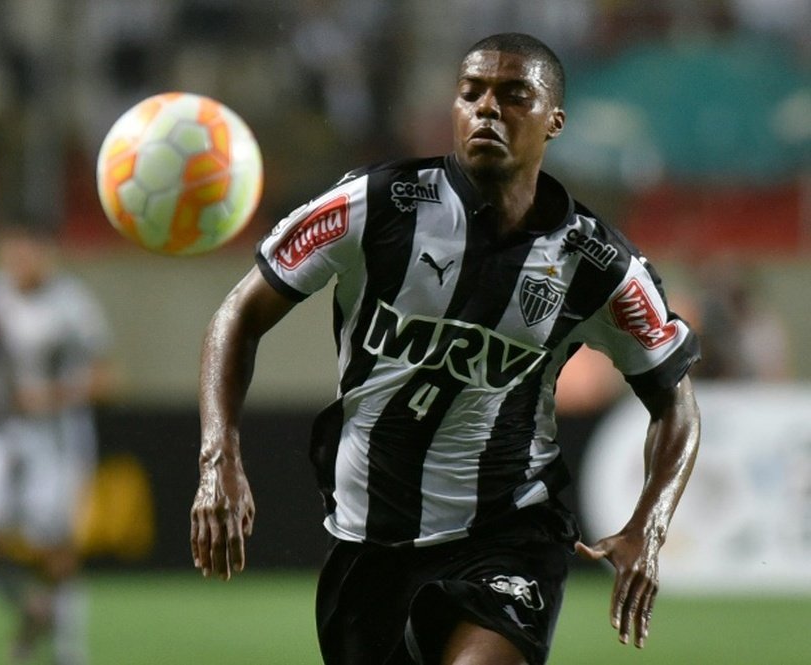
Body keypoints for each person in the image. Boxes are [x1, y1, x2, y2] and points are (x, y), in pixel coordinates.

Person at [190, 32, 701, 665]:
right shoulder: (372, 206)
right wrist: (220, 457)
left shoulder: (597, 266)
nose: (488, 108)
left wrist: (648, 526)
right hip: (368, 539)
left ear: (554, 122)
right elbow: (237, 315)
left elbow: (675, 404)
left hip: (508, 532)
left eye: (515, 95)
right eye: (472, 93)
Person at [0, 224, 115, 665]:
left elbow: (105, 379)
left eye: (29, 254)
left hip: (57, 439)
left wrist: (54, 397)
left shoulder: (72, 304)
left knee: (57, 551)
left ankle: (68, 651)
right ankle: (31, 610)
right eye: (12, 254)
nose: (20, 263)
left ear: (47, 255)